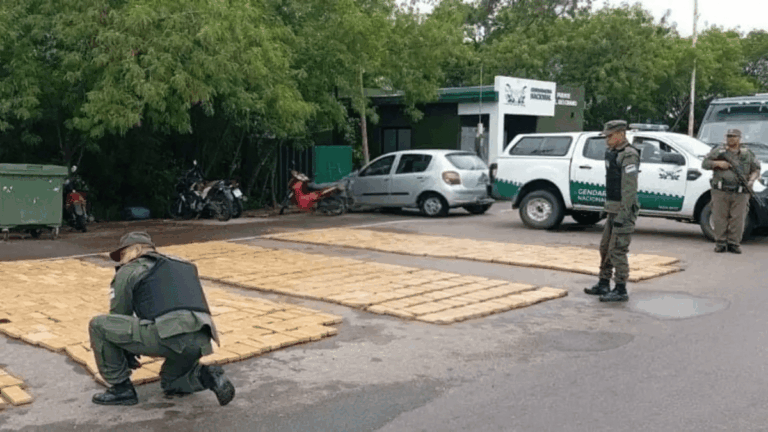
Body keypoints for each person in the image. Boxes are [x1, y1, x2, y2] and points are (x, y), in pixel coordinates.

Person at [89, 231, 235, 406]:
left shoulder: (129, 270)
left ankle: (121, 389)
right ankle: (207, 376)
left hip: (170, 335)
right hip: (202, 338)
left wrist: (126, 353)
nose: (120, 259)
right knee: (171, 382)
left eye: (121, 254)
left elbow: (119, 317)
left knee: (98, 326)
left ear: (130, 251)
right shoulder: (182, 264)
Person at [584, 120, 640, 302]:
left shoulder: (629, 155)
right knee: (605, 248)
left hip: (623, 210)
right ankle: (603, 283)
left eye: (609, 136)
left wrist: (623, 215)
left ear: (621, 134)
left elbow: (629, 190)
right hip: (613, 208)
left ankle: (621, 288)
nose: (607, 140)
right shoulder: (612, 153)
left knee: (617, 250)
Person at [701, 129, 761, 254]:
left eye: (734, 136)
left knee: (738, 219)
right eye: (729, 136)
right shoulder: (719, 152)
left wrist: (751, 181)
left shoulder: (747, 154)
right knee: (719, 218)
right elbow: (705, 164)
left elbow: (756, 169)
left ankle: (734, 243)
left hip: (740, 191)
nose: (731, 138)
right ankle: (720, 243)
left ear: (740, 138)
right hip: (721, 191)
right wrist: (717, 163)